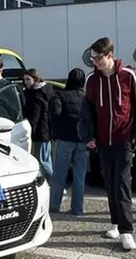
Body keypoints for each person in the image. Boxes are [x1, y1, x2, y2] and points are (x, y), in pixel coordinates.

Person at [85, 37, 136, 252]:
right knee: (110, 183)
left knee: (122, 184)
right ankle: (115, 223)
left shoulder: (128, 76)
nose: (94, 62)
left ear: (110, 55)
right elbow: (87, 113)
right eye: (92, 58)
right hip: (102, 143)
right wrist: (89, 135)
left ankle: (126, 231)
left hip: (124, 140)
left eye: (98, 58)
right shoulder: (91, 80)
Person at [49, 68, 91, 216]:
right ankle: (77, 209)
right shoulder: (87, 97)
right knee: (80, 176)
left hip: (64, 138)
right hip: (82, 140)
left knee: (59, 175)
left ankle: (54, 207)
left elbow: (55, 116)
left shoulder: (59, 95)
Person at [22, 68, 54, 179]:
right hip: (47, 130)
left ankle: (55, 183)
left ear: (35, 79)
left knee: (41, 160)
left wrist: (31, 131)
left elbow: (34, 116)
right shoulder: (47, 90)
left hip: (40, 131)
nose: (25, 82)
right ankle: (53, 184)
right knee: (46, 159)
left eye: (28, 79)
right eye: (24, 80)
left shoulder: (35, 95)